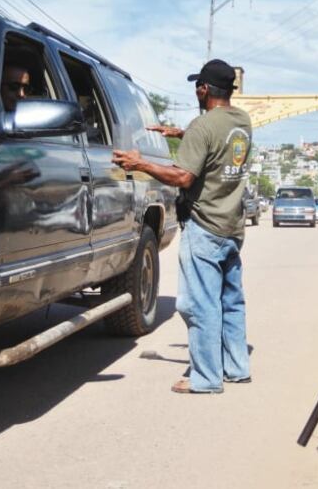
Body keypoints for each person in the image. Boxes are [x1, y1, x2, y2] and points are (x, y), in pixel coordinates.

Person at [112, 59, 253, 394]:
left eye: (197, 86)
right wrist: (183, 135)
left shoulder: (203, 126)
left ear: (204, 89)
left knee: (199, 304)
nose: (196, 92)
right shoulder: (241, 121)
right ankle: (236, 367)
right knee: (230, 301)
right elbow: (218, 143)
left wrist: (139, 163)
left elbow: (183, 177)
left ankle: (205, 379)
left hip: (205, 227)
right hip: (232, 227)